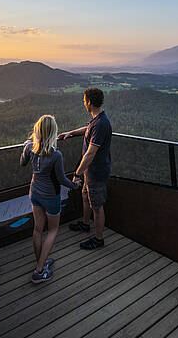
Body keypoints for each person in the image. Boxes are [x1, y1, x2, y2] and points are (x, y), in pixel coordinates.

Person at [20, 114, 81, 283]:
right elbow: (61, 179)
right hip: (50, 197)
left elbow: (22, 163)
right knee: (53, 230)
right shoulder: (56, 155)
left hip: (35, 193)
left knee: (38, 229)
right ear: (53, 133)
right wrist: (75, 185)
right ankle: (39, 271)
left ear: (37, 131)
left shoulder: (30, 147)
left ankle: (41, 262)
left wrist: (25, 146)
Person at [59, 87, 112, 250]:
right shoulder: (96, 120)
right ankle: (85, 224)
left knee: (97, 206)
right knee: (85, 197)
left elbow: (90, 154)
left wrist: (77, 173)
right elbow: (87, 129)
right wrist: (71, 132)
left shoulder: (101, 123)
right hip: (90, 172)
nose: (83, 103)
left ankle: (98, 239)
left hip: (96, 172)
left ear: (89, 102)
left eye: (84, 101)